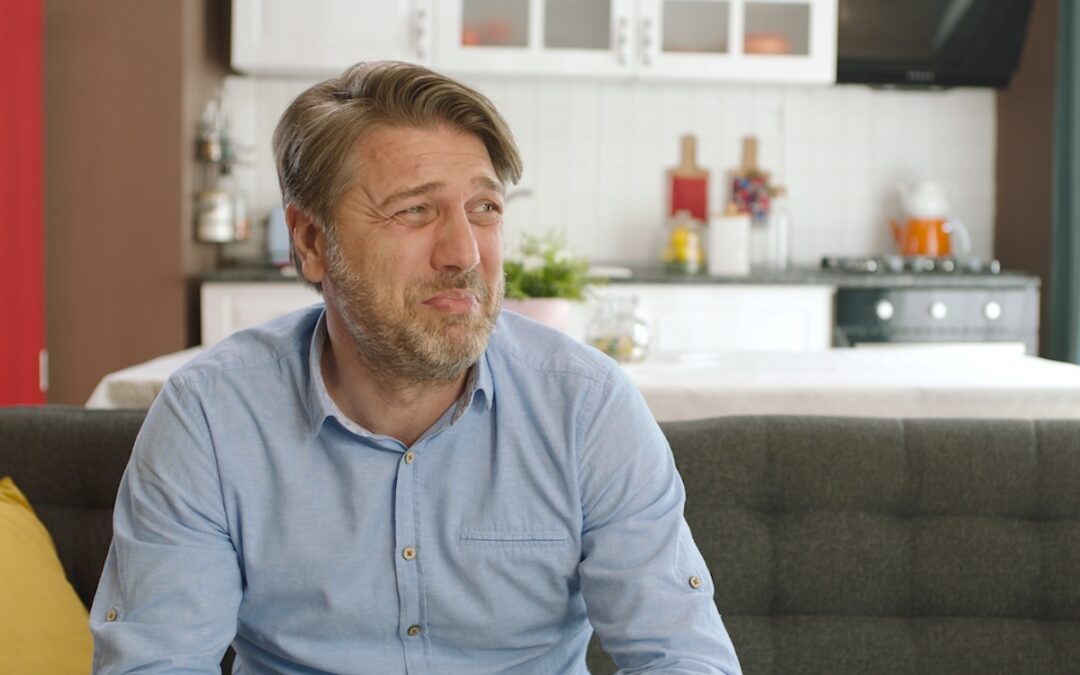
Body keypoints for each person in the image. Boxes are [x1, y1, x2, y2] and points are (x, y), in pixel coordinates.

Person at [90, 60, 741, 674]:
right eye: (414, 210)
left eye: (484, 208)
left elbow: (682, 654)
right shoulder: (211, 418)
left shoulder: (587, 407)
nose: (464, 251)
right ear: (311, 243)